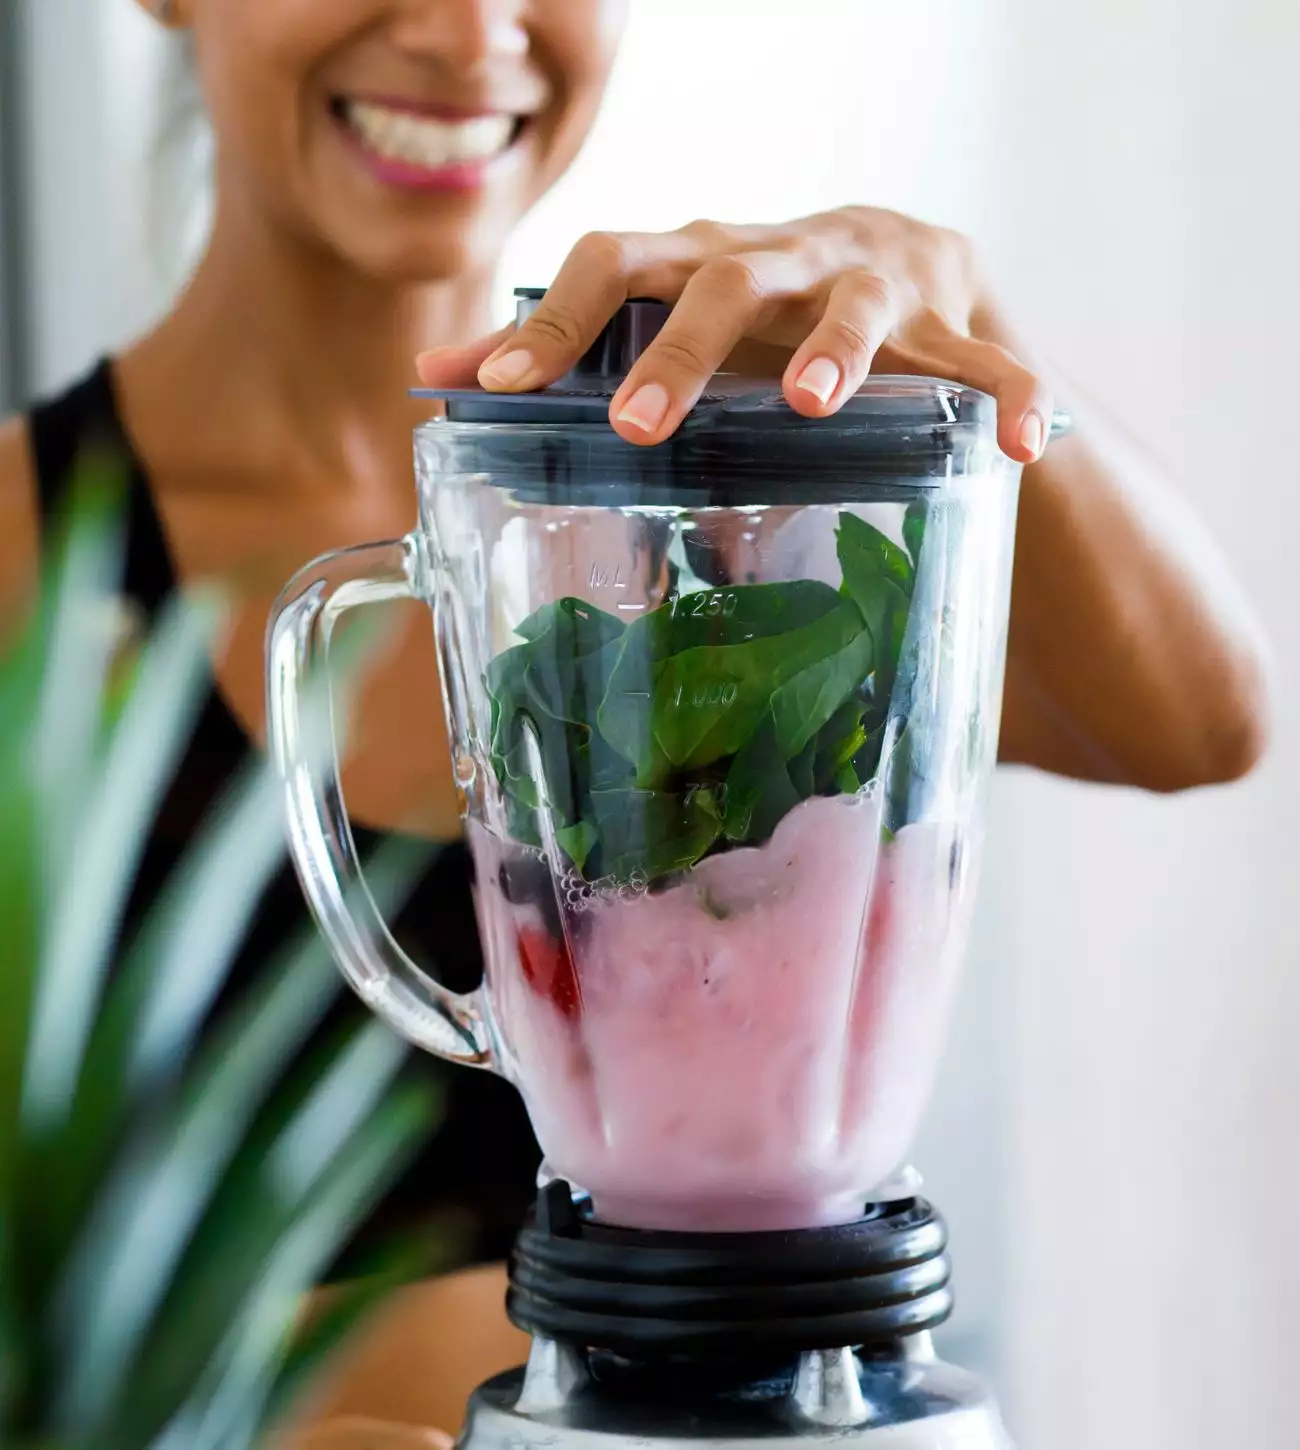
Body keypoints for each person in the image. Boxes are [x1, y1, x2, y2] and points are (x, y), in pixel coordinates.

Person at [0, 0, 1273, 1438]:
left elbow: (1202, 720)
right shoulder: (24, 564)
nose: (469, 36)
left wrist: (973, 347)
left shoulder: (729, 497)